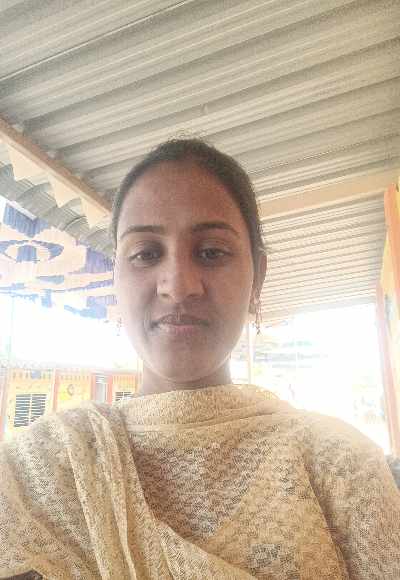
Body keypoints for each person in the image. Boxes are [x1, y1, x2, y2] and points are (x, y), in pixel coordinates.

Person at [0, 138, 399, 580]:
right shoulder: (35, 473)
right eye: (146, 254)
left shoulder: (341, 465)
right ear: (115, 275)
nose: (178, 285)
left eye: (211, 252)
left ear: (257, 277)